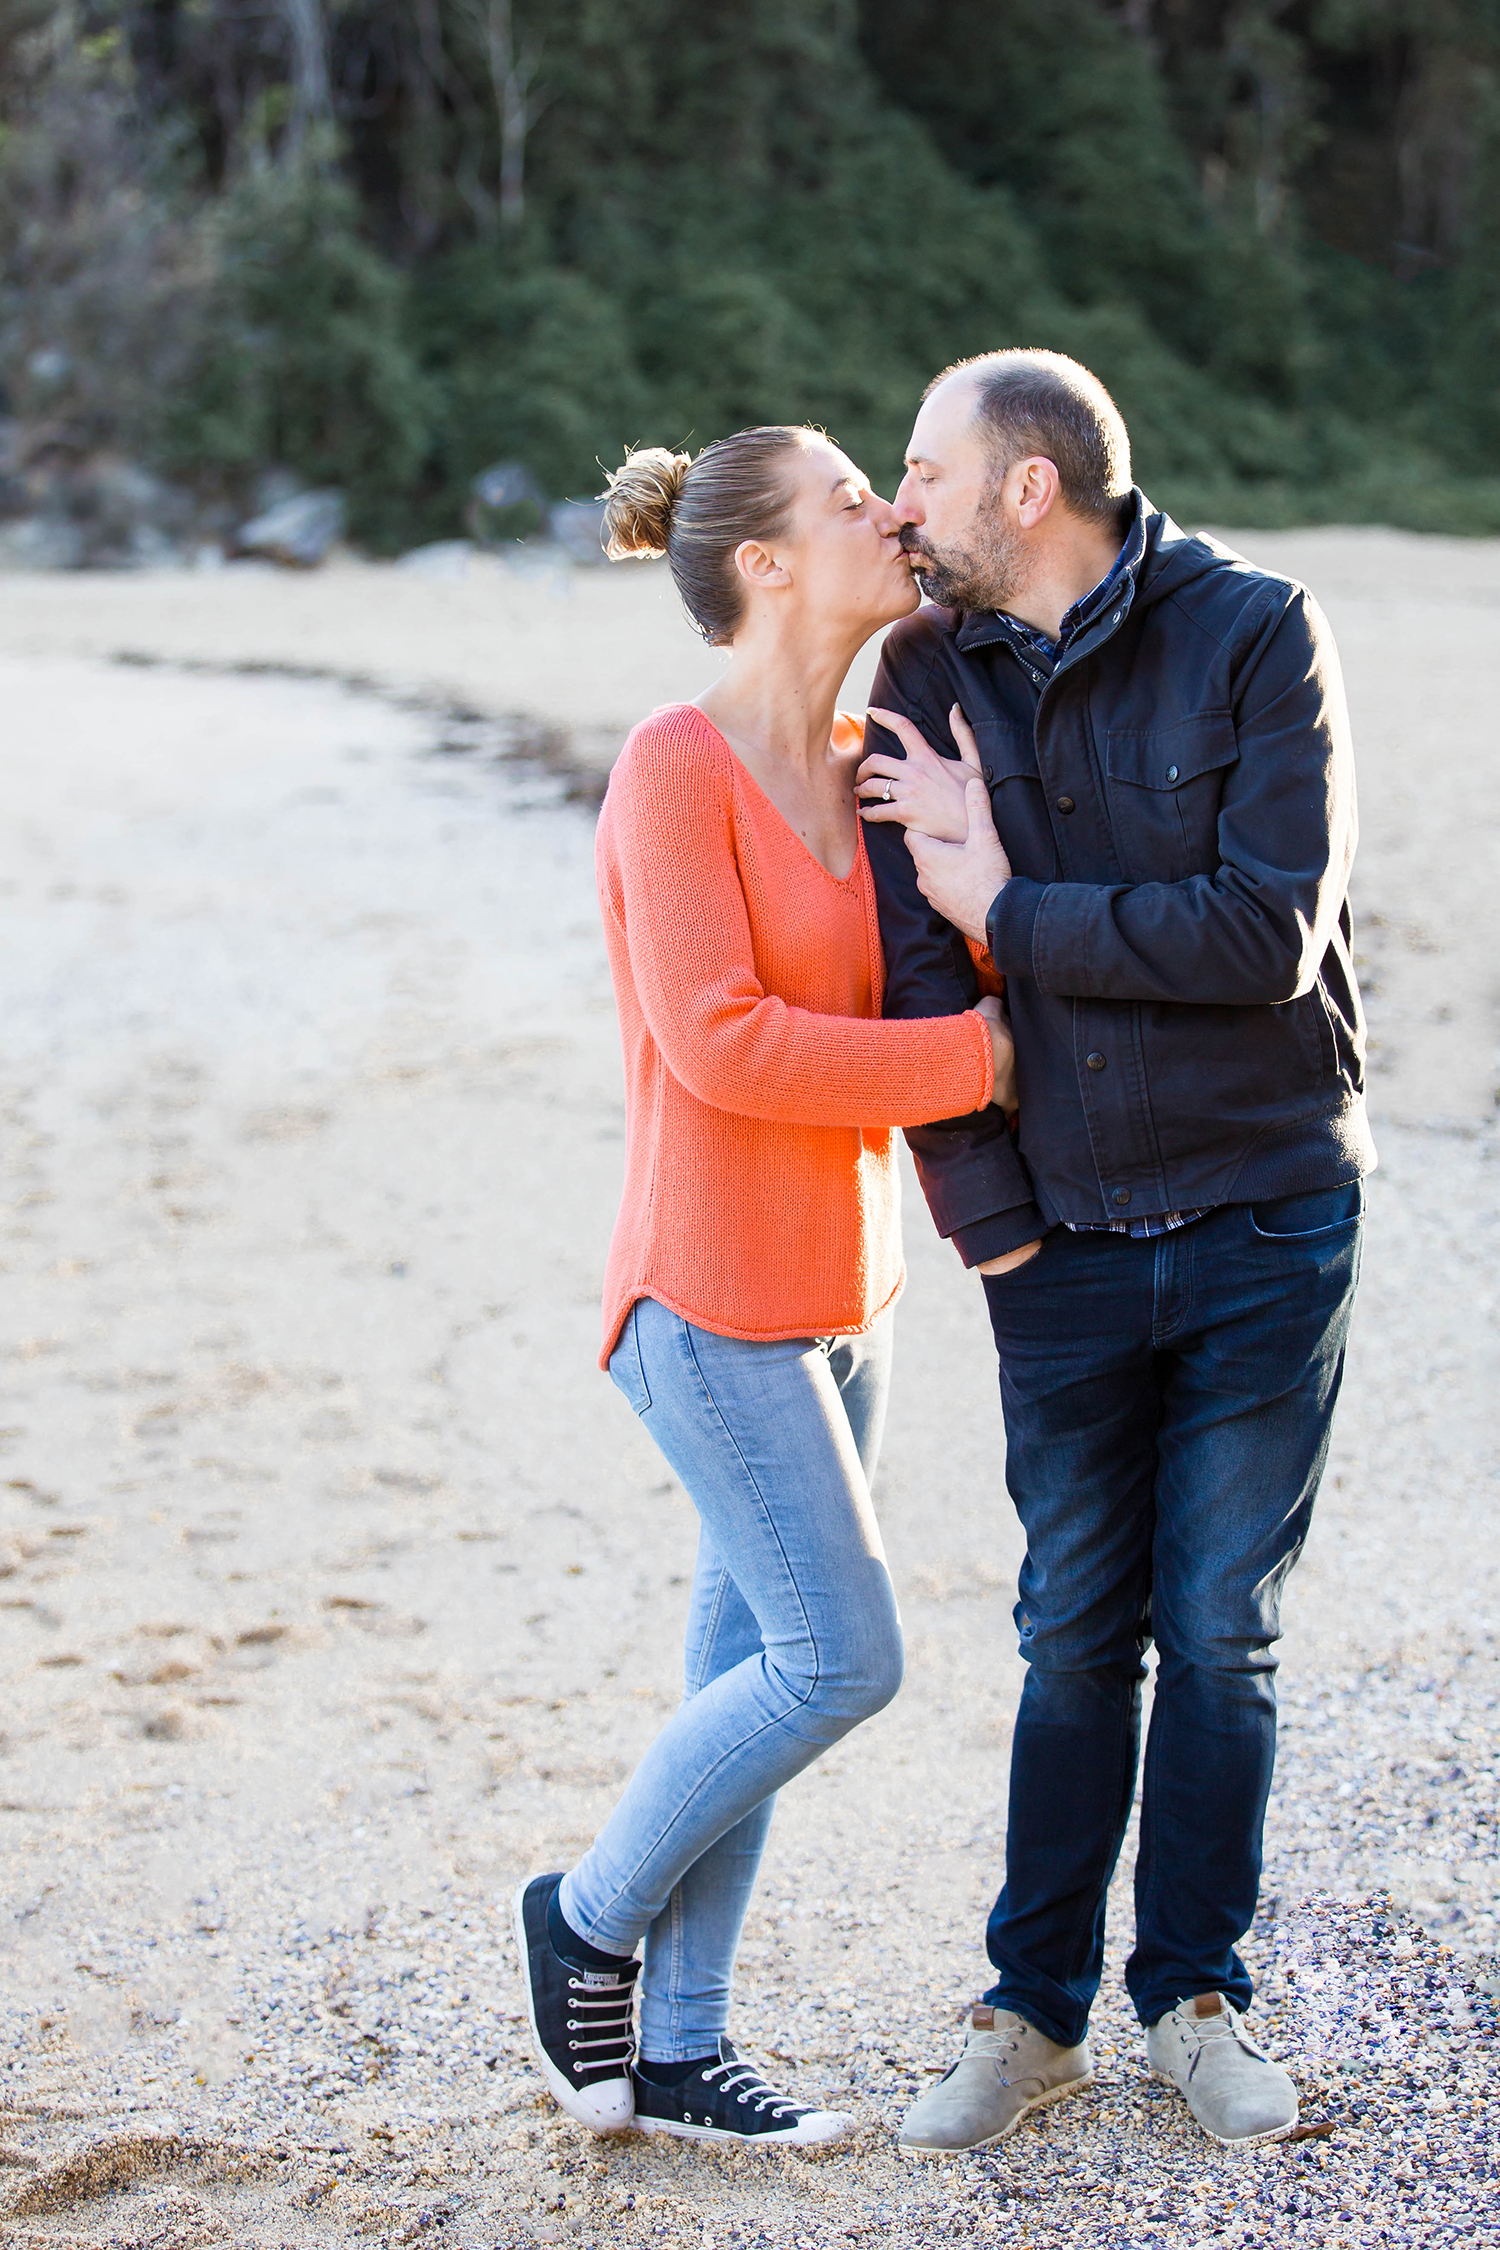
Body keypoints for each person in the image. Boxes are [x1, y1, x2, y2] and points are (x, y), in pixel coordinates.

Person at [855, 349, 1371, 2155]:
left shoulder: (1253, 630)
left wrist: (1013, 904)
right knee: (1074, 1628)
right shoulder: (921, 676)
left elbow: (1267, 934)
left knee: (1222, 1631)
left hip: (1266, 1210)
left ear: (1025, 488)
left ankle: (1196, 1991)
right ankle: (1032, 2008)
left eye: (921, 469)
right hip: (1059, 1239)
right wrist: (994, 1231)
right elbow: (913, 983)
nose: (897, 503)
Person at [512, 424, 1019, 2147]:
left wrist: (979, 877)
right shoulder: (675, 765)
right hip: (704, 1294)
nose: (889, 509)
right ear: (767, 567)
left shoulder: (876, 756)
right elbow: (722, 1045)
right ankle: (580, 1916)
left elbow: (935, 963)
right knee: (837, 1658)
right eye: (845, 497)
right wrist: (981, 1058)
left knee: (749, 1675)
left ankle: (683, 2043)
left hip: (845, 1295)